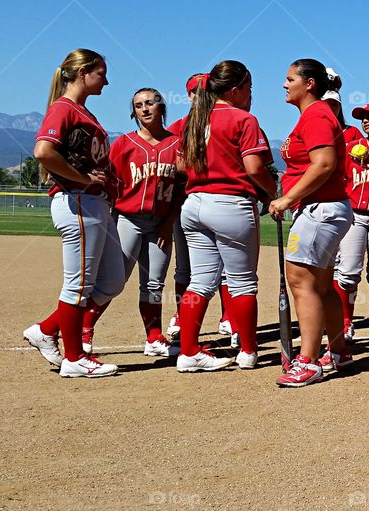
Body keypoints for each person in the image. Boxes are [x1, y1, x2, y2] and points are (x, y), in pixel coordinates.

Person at [22, 48, 124, 378]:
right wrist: (81, 178)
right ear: (82, 73)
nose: (106, 81)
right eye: (100, 73)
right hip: (77, 200)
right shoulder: (63, 109)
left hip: (94, 204)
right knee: (78, 285)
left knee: (111, 281)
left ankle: (45, 330)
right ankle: (74, 358)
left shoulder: (82, 111)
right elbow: (43, 151)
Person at [176, 61, 277, 372]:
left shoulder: (195, 118)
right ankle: (248, 351)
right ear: (235, 89)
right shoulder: (243, 119)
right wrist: (275, 193)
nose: (250, 94)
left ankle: (189, 351)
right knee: (243, 283)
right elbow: (255, 168)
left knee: (200, 281)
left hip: (193, 204)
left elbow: (181, 167)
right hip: (230, 203)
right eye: (248, 87)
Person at [269, 58, 354, 387]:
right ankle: (338, 351)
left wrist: (288, 198)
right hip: (323, 208)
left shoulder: (317, 114)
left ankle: (308, 360)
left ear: (310, 84)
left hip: (320, 209)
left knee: (301, 282)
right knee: (319, 285)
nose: (284, 84)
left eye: (290, 78)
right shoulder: (313, 115)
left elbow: (324, 164)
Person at [102, 87, 182, 357]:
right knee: (114, 280)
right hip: (128, 220)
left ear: (162, 107)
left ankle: (154, 337)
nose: (145, 108)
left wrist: (169, 222)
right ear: (133, 112)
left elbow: (182, 189)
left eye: (150, 103)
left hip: (161, 223)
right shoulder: (123, 144)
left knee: (154, 284)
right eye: (138, 105)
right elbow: (110, 183)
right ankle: (85, 330)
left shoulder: (177, 144)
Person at [166, 74, 238, 349]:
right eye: (197, 91)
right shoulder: (179, 126)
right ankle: (181, 316)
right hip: (186, 203)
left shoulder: (223, 120)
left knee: (224, 269)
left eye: (206, 89)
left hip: (216, 201)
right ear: (189, 96)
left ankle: (228, 317)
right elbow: (174, 165)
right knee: (186, 268)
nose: (202, 94)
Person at [332, 102, 369, 345]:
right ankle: (346, 322)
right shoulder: (351, 148)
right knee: (347, 272)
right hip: (354, 215)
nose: (365, 120)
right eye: (362, 117)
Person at [321, 67, 363, 144]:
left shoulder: (352, 132)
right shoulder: (308, 130)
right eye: (326, 104)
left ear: (339, 107)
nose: (330, 108)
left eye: (334, 104)